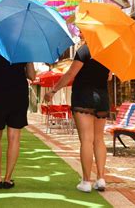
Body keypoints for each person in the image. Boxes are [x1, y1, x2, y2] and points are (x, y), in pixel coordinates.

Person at [45, 41, 110, 193]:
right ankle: (101, 179)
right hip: (102, 97)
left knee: (87, 139)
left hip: (83, 96)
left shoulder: (84, 50)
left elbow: (70, 74)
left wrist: (53, 90)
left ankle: (86, 181)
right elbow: (109, 77)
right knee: (99, 139)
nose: (80, 34)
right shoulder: (107, 51)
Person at [0, 47, 36, 189]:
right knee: (14, 137)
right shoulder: (24, 47)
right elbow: (32, 76)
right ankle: (8, 179)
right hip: (19, 95)